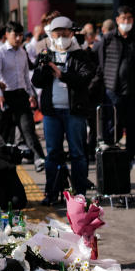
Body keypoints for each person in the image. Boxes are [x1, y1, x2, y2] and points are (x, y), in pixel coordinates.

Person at [31, 16, 95, 203]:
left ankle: (80, 194)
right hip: (52, 112)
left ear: (71, 33)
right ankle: (51, 193)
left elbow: (85, 78)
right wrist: (44, 69)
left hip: (74, 111)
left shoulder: (81, 53)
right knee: (52, 154)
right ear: (50, 35)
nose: (60, 37)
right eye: (56, 34)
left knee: (78, 153)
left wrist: (62, 75)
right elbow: (36, 81)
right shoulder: (46, 53)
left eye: (64, 33)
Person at [0, 21, 44, 168]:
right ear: (7, 35)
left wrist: (30, 94)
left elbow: (26, 76)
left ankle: (39, 158)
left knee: (28, 128)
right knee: (3, 132)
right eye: (15, 35)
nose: (18, 38)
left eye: (21, 35)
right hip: (5, 95)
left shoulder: (23, 52)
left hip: (21, 95)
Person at [97, 5, 135, 166]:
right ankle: (112, 154)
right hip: (113, 89)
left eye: (129, 18)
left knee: (131, 126)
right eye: (123, 18)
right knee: (114, 123)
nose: (126, 22)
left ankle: (131, 157)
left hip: (132, 89)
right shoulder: (108, 38)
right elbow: (101, 64)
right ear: (117, 20)